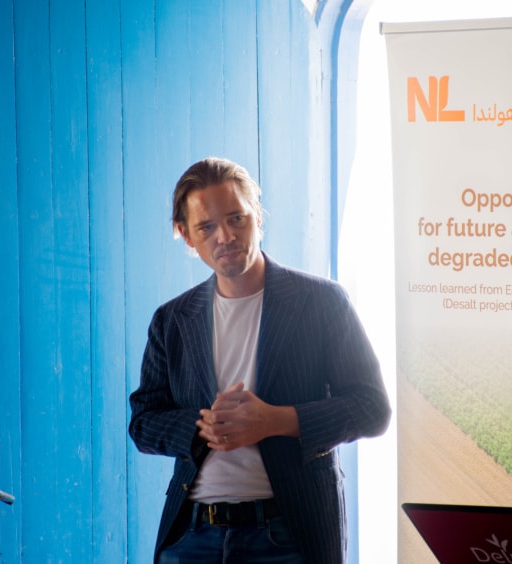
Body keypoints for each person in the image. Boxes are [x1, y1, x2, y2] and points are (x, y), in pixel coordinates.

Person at [128, 157, 391, 564]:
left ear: (258, 216)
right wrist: (201, 426)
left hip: (289, 534)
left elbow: (372, 409)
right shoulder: (172, 320)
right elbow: (143, 423)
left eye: (237, 218)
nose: (226, 236)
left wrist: (275, 421)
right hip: (191, 536)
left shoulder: (322, 302)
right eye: (206, 227)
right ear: (186, 236)